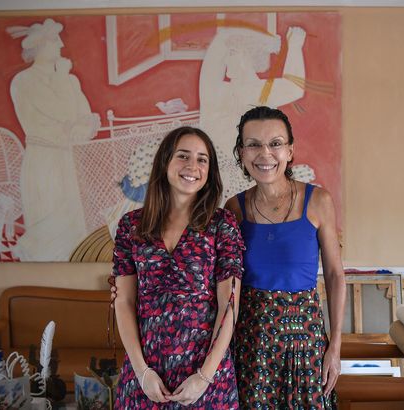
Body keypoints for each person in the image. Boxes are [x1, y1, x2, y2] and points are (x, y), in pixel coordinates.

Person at [111, 126, 243, 409]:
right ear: (165, 162)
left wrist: (205, 376)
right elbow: (123, 300)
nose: (192, 166)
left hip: (206, 377)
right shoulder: (131, 226)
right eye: (183, 156)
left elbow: (228, 305)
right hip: (146, 376)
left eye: (202, 159)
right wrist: (141, 371)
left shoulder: (222, 225)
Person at [224, 106, 345, 409]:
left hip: (306, 341)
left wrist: (335, 346)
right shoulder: (233, 208)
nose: (265, 154)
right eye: (253, 144)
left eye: (275, 143)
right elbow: (226, 283)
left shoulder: (318, 201)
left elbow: (334, 275)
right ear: (241, 153)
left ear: (290, 150)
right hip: (252, 341)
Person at [7, 18, 101, 261]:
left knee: (73, 225)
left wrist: (81, 127)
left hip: (69, 160)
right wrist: (62, 80)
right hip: (44, 160)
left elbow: (83, 115)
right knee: (49, 222)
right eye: (53, 41)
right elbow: (62, 112)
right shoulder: (25, 81)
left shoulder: (69, 80)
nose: (60, 45)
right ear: (39, 47)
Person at [199, 25, 313, 202]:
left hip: (253, 175)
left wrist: (295, 47)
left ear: (249, 57)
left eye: (233, 53)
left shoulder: (264, 91)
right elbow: (215, 52)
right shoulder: (216, 90)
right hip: (220, 174)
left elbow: (295, 87)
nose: (226, 59)